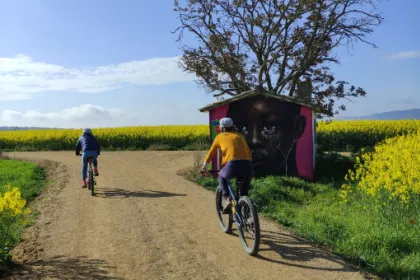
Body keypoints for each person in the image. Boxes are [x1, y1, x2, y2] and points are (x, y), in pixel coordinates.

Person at [201, 117, 253, 213]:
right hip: (248, 165)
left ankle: (227, 199)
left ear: (221, 128)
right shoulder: (239, 135)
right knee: (244, 192)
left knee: (221, 175)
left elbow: (211, 153)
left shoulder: (219, 137)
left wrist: (204, 167)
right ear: (232, 126)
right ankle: (247, 215)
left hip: (233, 165)